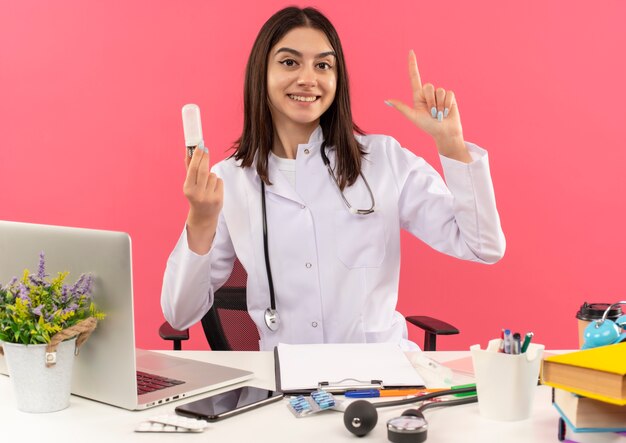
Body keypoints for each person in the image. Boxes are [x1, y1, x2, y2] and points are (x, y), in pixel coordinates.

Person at [161, 6, 505, 351]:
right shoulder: (230, 180)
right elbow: (179, 314)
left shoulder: (384, 160)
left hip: (380, 381)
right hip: (285, 386)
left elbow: (483, 246)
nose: (308, 78)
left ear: (337, 79)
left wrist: (451, 145)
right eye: (290, 62)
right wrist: (201, 221)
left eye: (323, 65)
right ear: (261, 73)